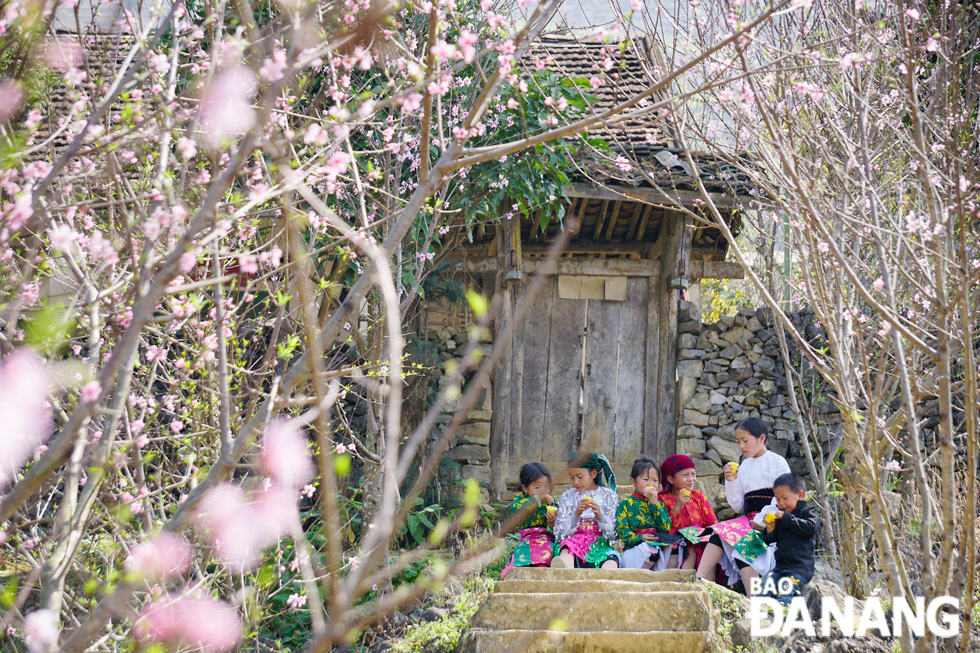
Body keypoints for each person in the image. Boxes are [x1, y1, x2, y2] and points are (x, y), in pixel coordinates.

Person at [696, 417, 791, 595]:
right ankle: (700, 580)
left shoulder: (777, 462)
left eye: (745, 441)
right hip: (746, 522)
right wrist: (730, 482)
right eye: (738, 441)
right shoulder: (744, 466)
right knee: (719, 533)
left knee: (744, 547)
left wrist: (762, 518)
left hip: (770, 523)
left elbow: (782, 499)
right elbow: (738, 505)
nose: (741, 446)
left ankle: (753, 597)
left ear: (761, 439)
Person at [757, 473, 820, 604]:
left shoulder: (809, 512)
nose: (781, 503)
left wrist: (786, 518)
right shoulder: (781, 517)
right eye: (778, 500)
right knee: (763, 591)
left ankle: (781, 616)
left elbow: (810, 527)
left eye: (785, 498)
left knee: (785, 594)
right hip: (780, 568)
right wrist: (770, 528)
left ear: (800, 495)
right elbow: (768, 540)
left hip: (799, 569)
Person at [551, 452, 620, 569]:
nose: (576, 482)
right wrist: (576, 514)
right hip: (573, 542)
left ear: (593, 474)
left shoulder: (609, 496)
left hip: (600, 544)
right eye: (572, 477)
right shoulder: (568, 496)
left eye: (580, 477)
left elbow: (613, 533)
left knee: (611, 561)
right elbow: (560, 533)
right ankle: (563, 571)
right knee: (566, 551)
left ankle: (604, 580)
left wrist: (600, 515)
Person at [657, 454, 718, 569]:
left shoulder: (698, 497)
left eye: (693, 474)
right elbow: (663, 529)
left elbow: (713, 524)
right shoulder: (662, 500)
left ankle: (707, 583)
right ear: (670, 479)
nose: (691, 479)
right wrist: (678, 506)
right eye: (685, 475)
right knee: (690, 547)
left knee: (712, 544)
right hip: (678, 543)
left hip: (701, 541)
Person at [501, 463, 558, 578]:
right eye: (537, 488)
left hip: (547, 540)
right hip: (527, 540)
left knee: (546, 560)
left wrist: (552, 523)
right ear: (525, 488)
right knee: (517, 564)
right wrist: (538, 499)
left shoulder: (552, 502)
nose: (542, 491)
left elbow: (561, 526)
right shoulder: (521, 501)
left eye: (546, 487)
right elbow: (515, 508)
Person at [616, 457, 674, 569]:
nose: (650, 484)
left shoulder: (659, 504)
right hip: (636, 549)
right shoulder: (626, 503)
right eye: (646, 479)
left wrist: (654, 505)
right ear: (633, 481)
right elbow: (622, 529)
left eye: (655, 480)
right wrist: (641, 538)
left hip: (658, 546)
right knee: (648, 548)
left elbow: (666, 528)